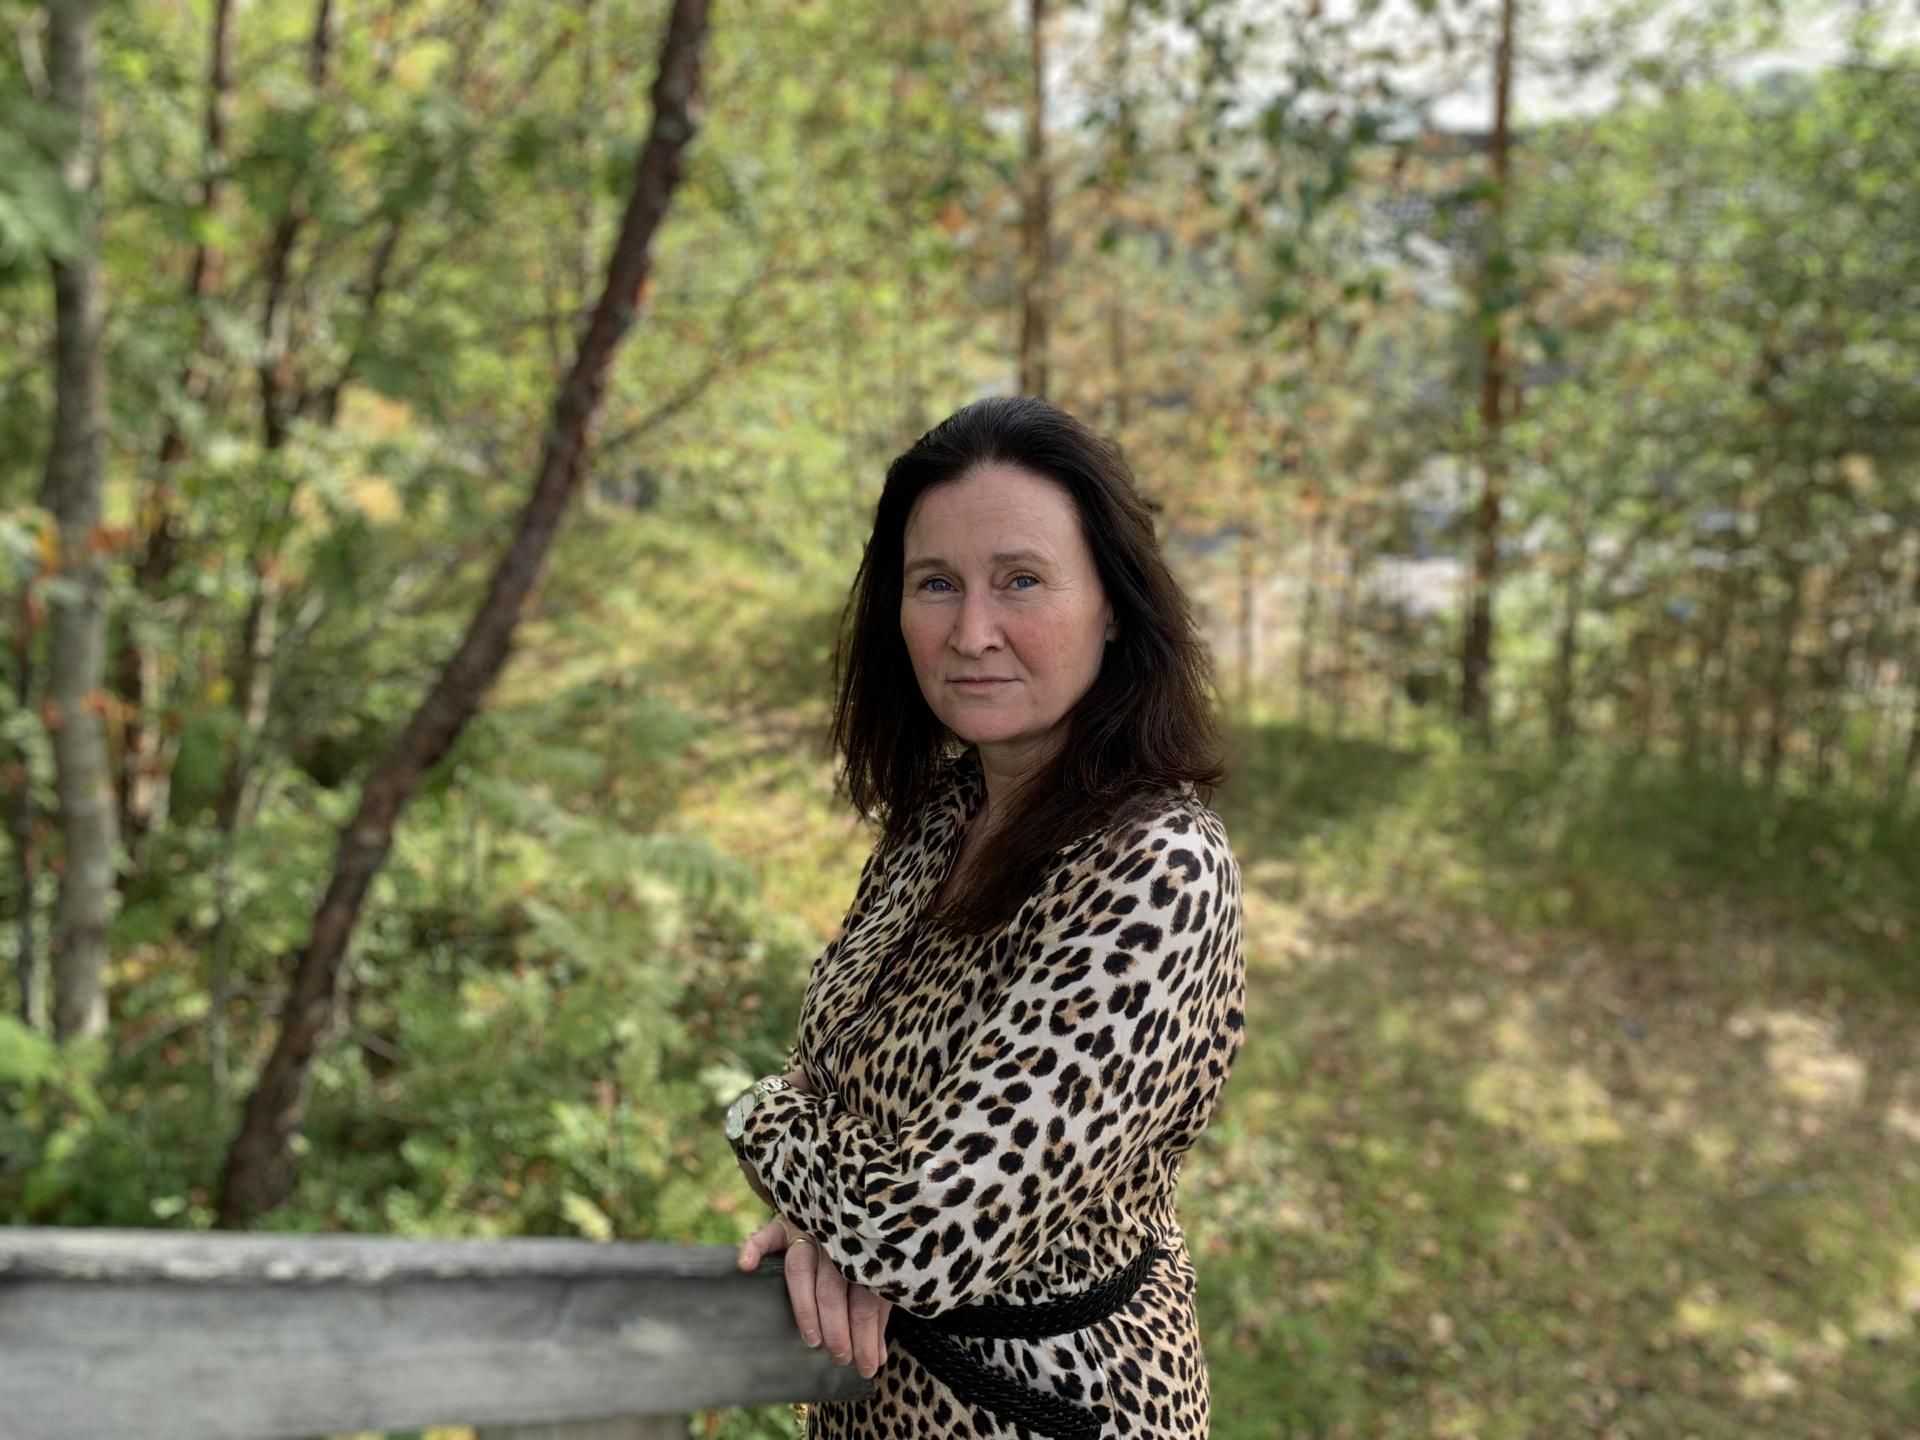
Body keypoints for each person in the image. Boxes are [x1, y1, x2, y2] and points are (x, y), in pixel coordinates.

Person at [723, 394, 1247, 1439]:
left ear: (1112, 604)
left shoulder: (1158, 869)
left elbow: (922, 1237)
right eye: (936, 584)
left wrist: (754, 1118)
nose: (971, 633)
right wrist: (830, 1214)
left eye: (1021, 580)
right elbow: (841, 1097)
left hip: (1047, 1410)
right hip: (876, 1401)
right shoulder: (942, 817)